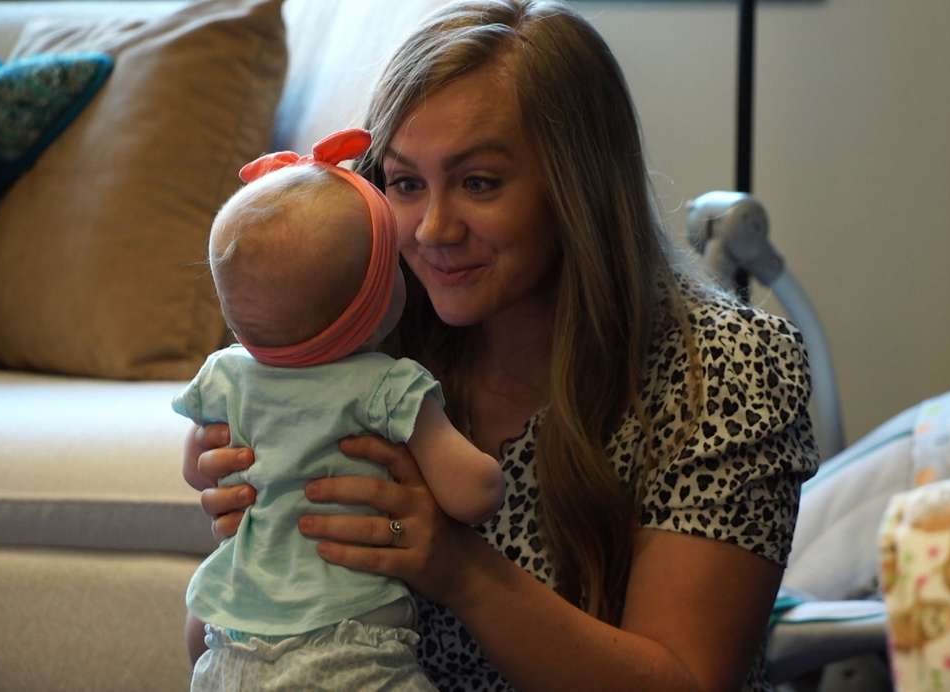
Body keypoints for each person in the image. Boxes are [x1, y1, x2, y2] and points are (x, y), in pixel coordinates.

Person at [185, 0, 820, 689]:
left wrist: (460, 569)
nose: (433, 229)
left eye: (478, 183)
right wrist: (251, 544)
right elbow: (207, 650)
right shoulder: (364, 342)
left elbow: (689, 680)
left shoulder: (722, 368)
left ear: (576, 188)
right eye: (405, 183)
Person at [176, 128, 504, 690]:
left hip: (230, 648)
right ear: (377, 304)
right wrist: (490, 481)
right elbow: (472, 492)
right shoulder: (386, 384)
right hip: (349, 647)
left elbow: (197, 466)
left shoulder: (225, 375)